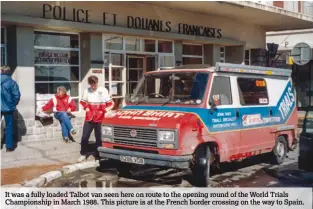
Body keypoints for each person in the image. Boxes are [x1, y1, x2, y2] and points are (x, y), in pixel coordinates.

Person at [77, 76, 114, 162]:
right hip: (89, 117)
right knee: (85, 136)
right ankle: (83, 154)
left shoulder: (103, 90)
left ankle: (98, 155)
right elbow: (82, 101)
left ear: (97, 82)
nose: (93, 86)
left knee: (99, 137)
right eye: (92, 85)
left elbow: (111, 103)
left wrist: (104, 110)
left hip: (100, 118)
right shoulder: (87, 91)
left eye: (95, 84)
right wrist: (86, 107)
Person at [1, 66, 21, 152]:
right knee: (9, 126)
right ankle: (9, 147)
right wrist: (13, 104)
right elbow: (17, 96)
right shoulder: (12, 82)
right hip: (8, 107)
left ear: (1, 71)